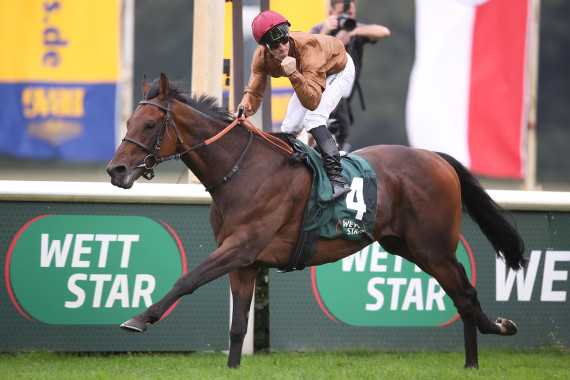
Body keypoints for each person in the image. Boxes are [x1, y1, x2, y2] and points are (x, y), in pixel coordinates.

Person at [235, 10, 356, 200]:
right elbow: (254, 91)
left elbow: (313, 102)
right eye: (275, 44)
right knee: (288, 128)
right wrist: (243, 111)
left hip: (337, 69)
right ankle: (291, 172)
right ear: (264, 47)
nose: (282, 47)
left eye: (284, 39)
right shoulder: (260, 57)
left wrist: (293, 74)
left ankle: (337, 180)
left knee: (314, 119)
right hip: (307, 76)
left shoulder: (308, 47)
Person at [310, 0, 390, 151]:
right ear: (331, 13)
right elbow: (308, 53)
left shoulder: (356, 30)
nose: (346, 17)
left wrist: (352, 30)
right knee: (319, 144)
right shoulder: (320, 29)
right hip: (320, 100)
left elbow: (384, 32)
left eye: (350, 14)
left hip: (342, 104)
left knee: (338, 148)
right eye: (341, 14)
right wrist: (327, 31)